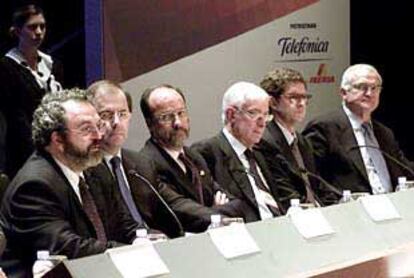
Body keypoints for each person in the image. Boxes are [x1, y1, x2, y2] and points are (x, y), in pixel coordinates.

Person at [0, 89, 141, 277]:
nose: (99, 135)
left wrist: (146, 241)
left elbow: (124, 224)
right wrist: (134, 255)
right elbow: (69, 249)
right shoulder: (34, 185)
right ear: (57, 139)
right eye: (86, 129)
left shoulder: (95, 168)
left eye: (98, 126)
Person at [138, 84, 248, 232]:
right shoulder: (146, 164)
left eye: (181, 113)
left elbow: (236, 204)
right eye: (166, 117)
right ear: (149, 123)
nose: (177, 122)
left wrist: (212, 212)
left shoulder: (193, 156)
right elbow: (182, 211)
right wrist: (215, 213)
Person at [87, 80, 183, 238]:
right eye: (106, 115)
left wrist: (216, 218)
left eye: (122, 114)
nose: (117, 123)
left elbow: (174, 203)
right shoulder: (86, 169)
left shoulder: (140, 163)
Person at [303, 64, 414, 197]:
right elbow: (314, 179)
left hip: (393, 207)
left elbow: (405, 170)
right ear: (344, 93)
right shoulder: (324, 128)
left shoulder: (384, 133)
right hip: (350, 211)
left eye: (375, 88)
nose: (369, 93)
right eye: (362, 87)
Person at [192, 81, 285, 222]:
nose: (262, 124)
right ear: (231, 115)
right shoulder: (206, 152)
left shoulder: (263, 151)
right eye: (254, 114)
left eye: (266, 115)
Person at [0, 4, 63, 179]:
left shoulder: (52, 64)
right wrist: (41, 148)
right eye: (32, 27)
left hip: (56, 146)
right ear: (18, 31)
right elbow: (15, 116)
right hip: (24, 151)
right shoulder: (7, 67)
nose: (39, 32)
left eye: (42, 26)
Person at [256, 68, 328, 207]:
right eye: (294, 97)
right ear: (273, 103)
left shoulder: (303, 142)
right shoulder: (265, 141)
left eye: (304, 97)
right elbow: (284, 194)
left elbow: (318, 188)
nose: (301, 103)